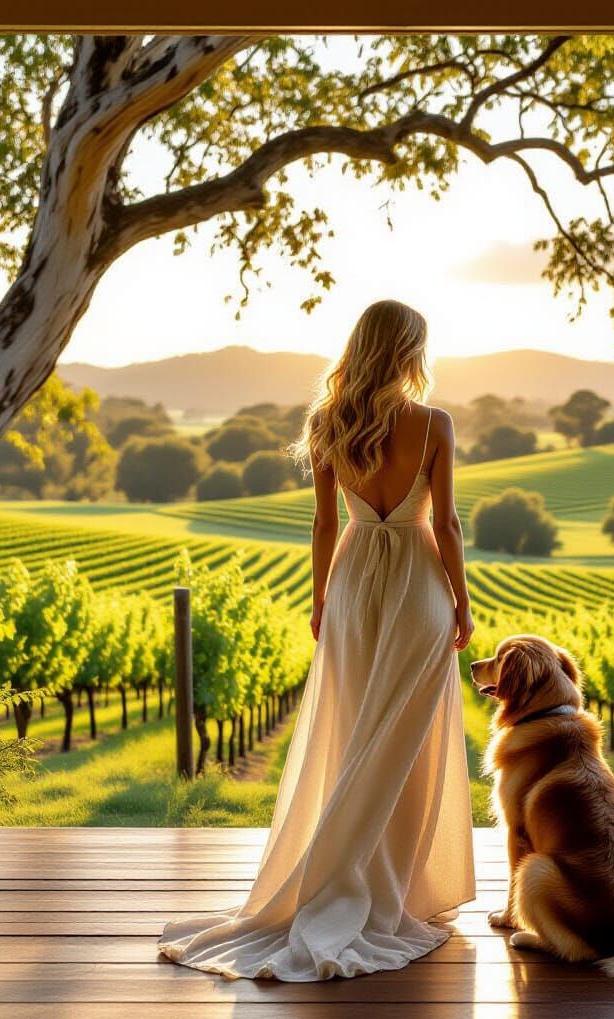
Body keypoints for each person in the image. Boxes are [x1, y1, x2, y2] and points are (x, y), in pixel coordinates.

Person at [158, 299, 476, 981]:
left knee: (355, 733)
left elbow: (324, 527)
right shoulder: (435, 424)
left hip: (355, 582)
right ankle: (392, 889)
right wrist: (462, 602)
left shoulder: (328, 422)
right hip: (417, 586)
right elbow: (445, 526)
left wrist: (321, 599)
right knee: (404, 741)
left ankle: (346, 877)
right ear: (411, 351)